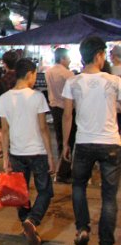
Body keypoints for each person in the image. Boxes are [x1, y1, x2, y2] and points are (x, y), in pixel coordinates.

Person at [62, 35, 121, 245]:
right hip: (111, 143)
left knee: (78, 186)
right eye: (104, 54)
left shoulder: (73, 82)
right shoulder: (114, 82)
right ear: (98, 56)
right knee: (109, 195)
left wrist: (66, 144)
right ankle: (106, 240)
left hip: (84, 142)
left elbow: (67, 115)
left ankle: (83, 229)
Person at [0, 57, 54, 245]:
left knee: (21, 193)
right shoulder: (37, 97)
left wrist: (5, 157)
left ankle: (26, 224)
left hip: (16, 152)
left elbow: (4, 131)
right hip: (37, 152)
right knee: (45, 191)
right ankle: (32, 221)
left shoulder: (3, 99)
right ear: (30, 74)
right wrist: (51, 155)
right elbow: (43, 128)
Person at [45, 47, 76, 183]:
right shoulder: (68, 74)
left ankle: (60, 167)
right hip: (66, 109)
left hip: (54, 107)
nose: (69, 61)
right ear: (62, 58)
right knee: (68, 140)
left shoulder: (48, 72)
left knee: (59, 138)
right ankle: (64, 171)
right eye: (68, 58)